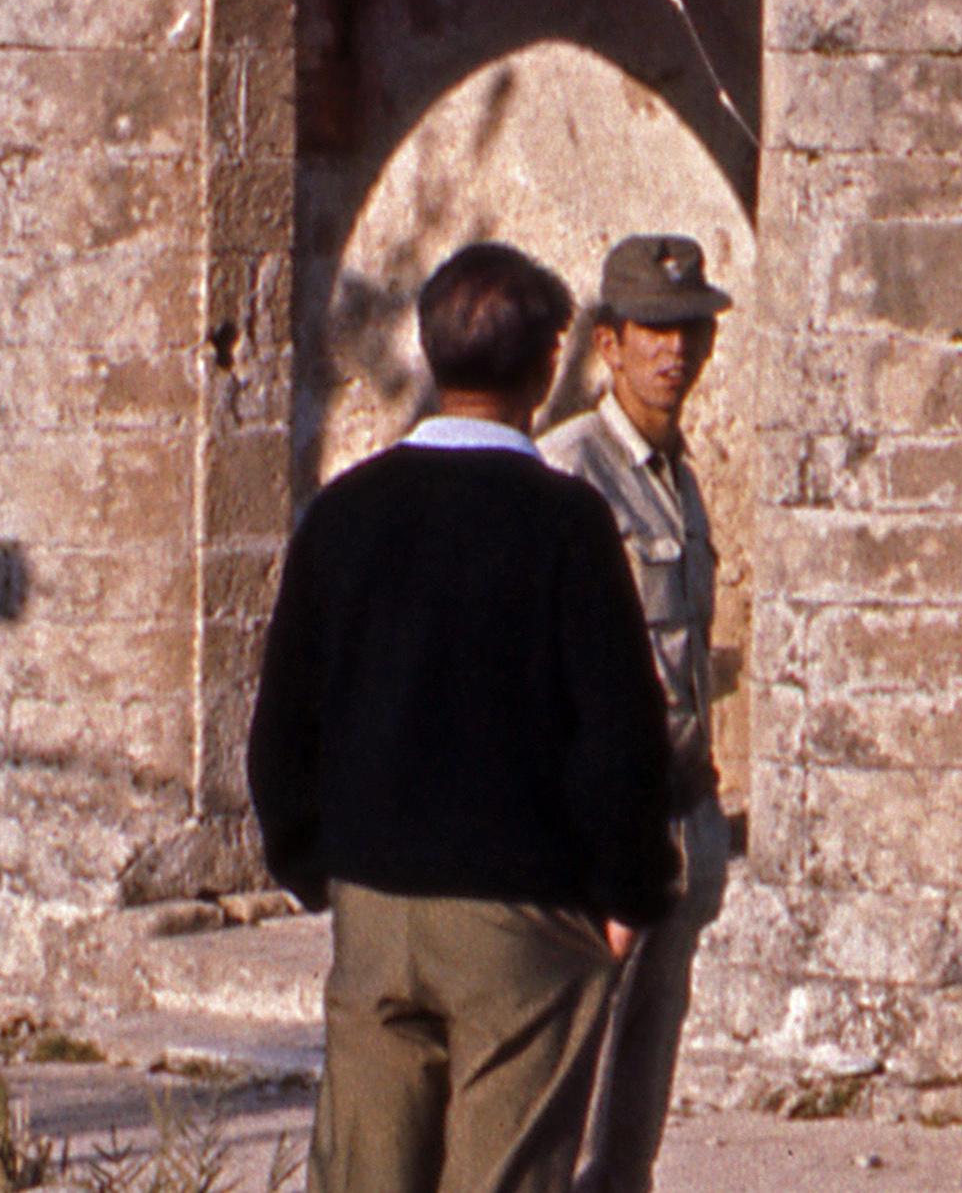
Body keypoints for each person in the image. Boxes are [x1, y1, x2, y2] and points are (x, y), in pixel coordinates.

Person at [247, 241, 680, 1193]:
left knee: (363, 1175)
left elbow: (283, 719)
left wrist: (312, 864)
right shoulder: (566, 523)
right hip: (520, 919)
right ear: (543, 368)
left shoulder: (345, 512)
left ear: (434, 354)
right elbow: (619, 732)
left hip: (375, 908)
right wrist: (625, 897)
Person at [543, 231, 737, 1193]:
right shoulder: (567, 470)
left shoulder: (680, 475)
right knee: (573, 1072)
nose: (676, 352)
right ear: (607, 344)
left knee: (642, 1084)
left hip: (677, 816)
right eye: (653, 331)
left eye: (691, 331)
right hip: (598, 826)